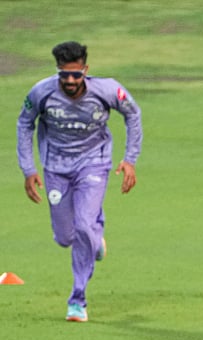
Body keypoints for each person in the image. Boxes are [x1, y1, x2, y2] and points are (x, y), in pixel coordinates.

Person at [16, 41, 143, 322]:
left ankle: (77, 300)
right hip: (55, 168)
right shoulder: (41, 92)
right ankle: (95, 241)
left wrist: (130, 159)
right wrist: (28, 169)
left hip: (93, 164)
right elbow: (24, 123)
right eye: (64, 75)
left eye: (76, 74)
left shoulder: (107, 89)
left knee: (84, 224)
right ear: (58, 71)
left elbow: (132, 113)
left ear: (86, 70)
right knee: (66, 237)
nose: (70, 81)